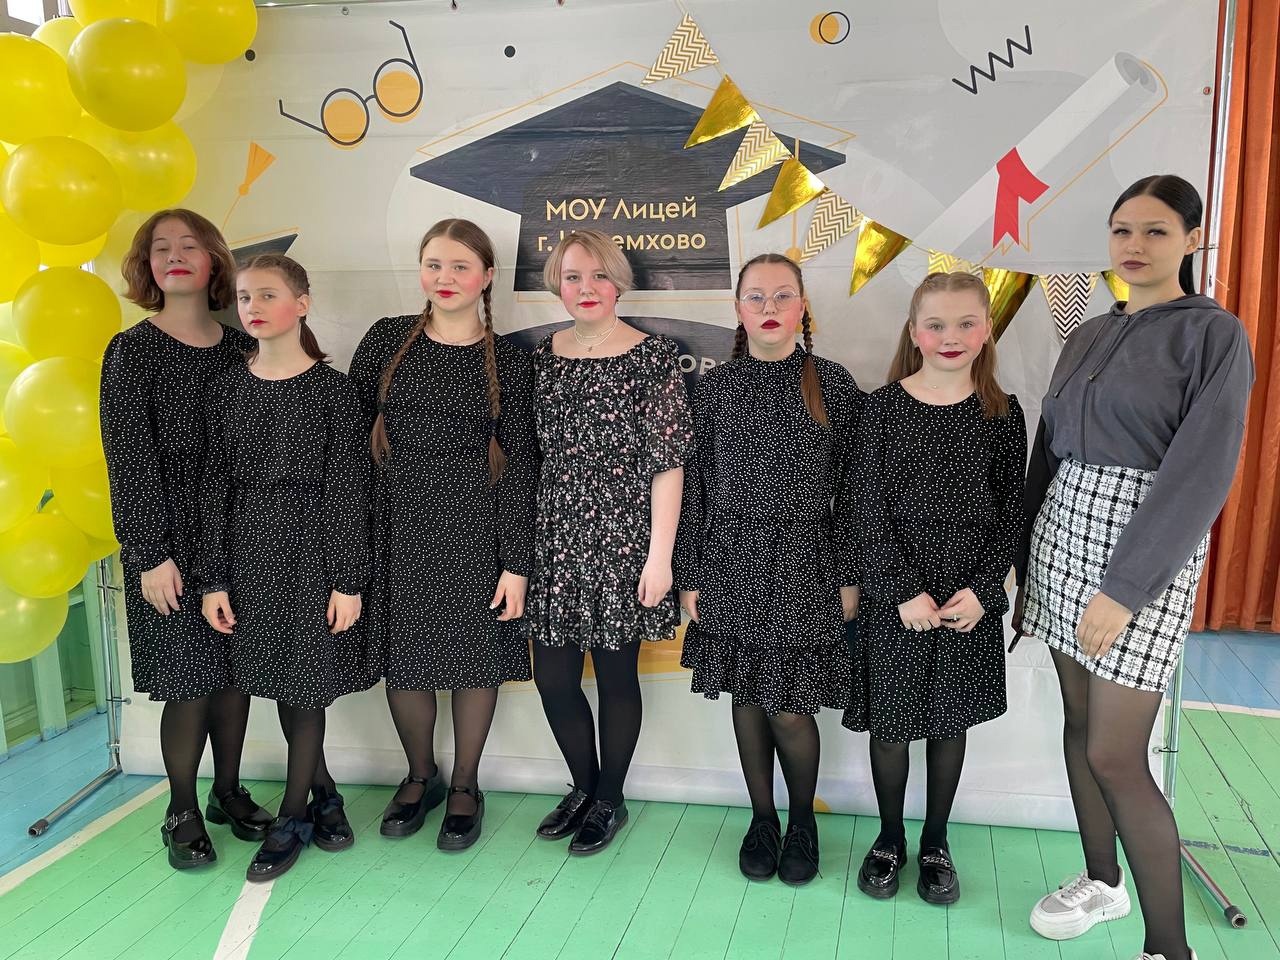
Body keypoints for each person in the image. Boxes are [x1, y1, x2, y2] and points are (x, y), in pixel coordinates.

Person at [1016, 176, 1253, 960]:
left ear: (1192, 239)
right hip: (1061, 533)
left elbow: (1203, 470)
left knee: (1116, 754)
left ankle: (1168, 948)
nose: (1134, 245)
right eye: (1122, 230)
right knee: (1080, 727)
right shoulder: (1088, 333)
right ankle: (1102, 881)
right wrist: (1021, 557)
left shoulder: (1213, 334)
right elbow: (1048, 449)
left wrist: (1126, 589)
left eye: (1155, 231)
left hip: (1143, 544)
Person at [348, 219, 536, 851]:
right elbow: (350, 449)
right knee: (407, 662)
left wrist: (516, 563)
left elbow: (522, 468)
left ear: (486, 276)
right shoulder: (385, 340)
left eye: (460, 266)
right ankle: (420, 775)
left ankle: (465, 785)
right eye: (434, 264)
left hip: (478, 535)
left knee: (475, 659)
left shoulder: (511, 361)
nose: (445, 277)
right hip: (397, 529)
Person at [674, 253, 860, 885]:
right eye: (756, 297)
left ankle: (803, 821)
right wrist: (691, 572)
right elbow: (696, 489)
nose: (769, 308)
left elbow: (855, 491)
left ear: (802, 306)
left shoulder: (832, 385)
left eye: (783, 296)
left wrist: (849, 574)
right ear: (738, 309)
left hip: (807, 565)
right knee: (749, 699)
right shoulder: (715, 389)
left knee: (789, 706)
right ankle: (763, 819)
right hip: (729, 563)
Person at [846, 271, 1025, 905]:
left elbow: (1012, 514)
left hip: (965, 602)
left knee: (950, 724)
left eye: (966, 323)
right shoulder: (880, 408)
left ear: (987, 330)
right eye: (937, 324)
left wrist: (984, 590)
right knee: (892, 726)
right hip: (897, 599)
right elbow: (864, 509)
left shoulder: (1002, 413)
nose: (951, 336)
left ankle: (936, 841)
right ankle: (889, 837)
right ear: (915, 332)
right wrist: (899, 591)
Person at [101, 209, 271, 871]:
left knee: (234, 674)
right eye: (161, 248)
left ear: (213, 262)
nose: (174, 256)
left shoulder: (242, 349)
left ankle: (228, 792)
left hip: (237, 540)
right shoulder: (131, 352)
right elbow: (128, 461)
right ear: (146, 266)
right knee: (189, 680)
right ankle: (181, 809)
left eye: (189, 246)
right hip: (167, 545)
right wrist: (150, 555)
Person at [199, 254, 373, 882]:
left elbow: (350, 492)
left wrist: (348, 579)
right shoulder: (226, 389)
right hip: (249, 556)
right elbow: (213, 489)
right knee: (281, 680)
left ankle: (293, 817)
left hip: (313, 555)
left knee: (307, 684)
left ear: (301, 303)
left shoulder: (335, 392)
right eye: (245, 296)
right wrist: (214, 578)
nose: (252, 307)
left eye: (267, 294)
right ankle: (324, 795)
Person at [526, 229, 693, 854]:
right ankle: (584, 785)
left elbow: (668, 464)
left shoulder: (654, 356)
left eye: (598, 275)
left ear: (619, 282)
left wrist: (660, 557)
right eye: (573, 276)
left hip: (626, 539)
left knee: (618, 678)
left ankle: (610, 799)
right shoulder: (544, 357)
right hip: (556, 538)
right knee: (554, 679)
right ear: (557, 285)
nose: (586, 287)